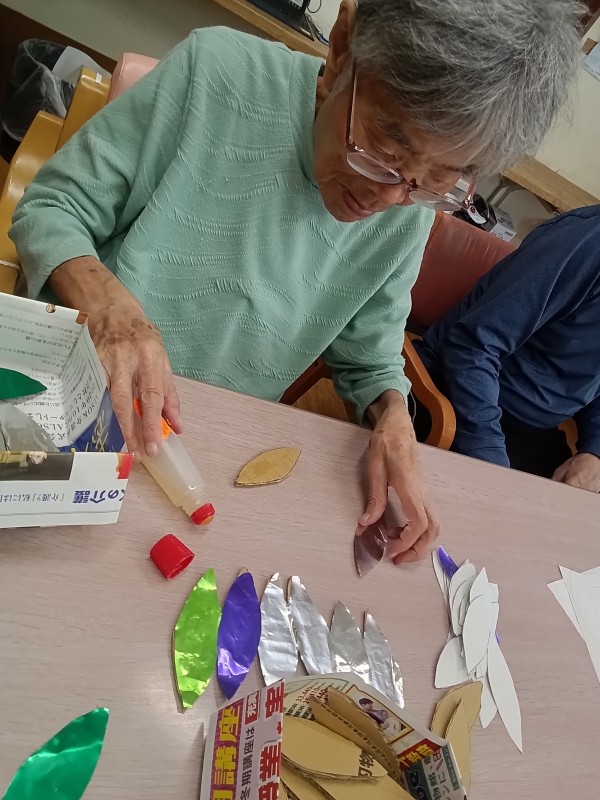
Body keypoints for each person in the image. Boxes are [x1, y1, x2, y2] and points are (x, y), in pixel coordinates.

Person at [9, 0, 581, 561]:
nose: (388, 197)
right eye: (385, 146)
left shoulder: (407, 210)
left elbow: (370, 356)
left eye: (435, 180)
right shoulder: (218, 71)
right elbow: (52, 208)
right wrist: (111, 309)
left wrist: (393, 416)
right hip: (73, 392)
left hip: (201, 447)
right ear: (342, 49)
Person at [414, 206, 600, 493]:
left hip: (533, 432)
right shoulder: (587, 241)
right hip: (454, 394)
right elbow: (472, 346)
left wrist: (594, 451)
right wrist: (493, 465)